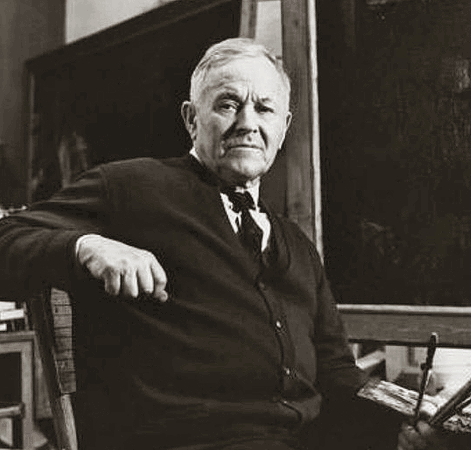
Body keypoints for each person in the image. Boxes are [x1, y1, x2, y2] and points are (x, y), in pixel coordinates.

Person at [0, 37, 441, 450]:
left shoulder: (297, 245)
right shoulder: (132, 187)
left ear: (284, 127)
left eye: (264, 109)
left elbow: (337, 372)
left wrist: (405, 417)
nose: (248, 123)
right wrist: (87, 246)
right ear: (192, 119)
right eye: (228, 104)